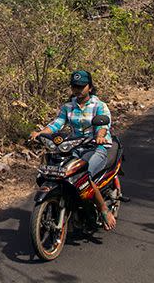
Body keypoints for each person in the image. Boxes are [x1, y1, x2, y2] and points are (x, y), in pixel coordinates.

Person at [29, 70, 116, 231]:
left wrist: (100, 136)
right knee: (62, 171)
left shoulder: (99, 106)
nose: (78, 90)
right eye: (75, 86)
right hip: (74, 146)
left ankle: (104, 209)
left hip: (96, 147)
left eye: (82, 86)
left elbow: (103, 125)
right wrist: (41, 133)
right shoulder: (68, 107)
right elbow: (57, 124)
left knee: (84, 175)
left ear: (90, 87)